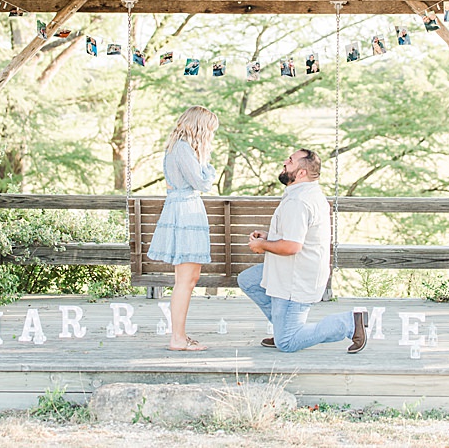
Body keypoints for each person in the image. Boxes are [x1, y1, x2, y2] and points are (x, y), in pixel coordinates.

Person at [238, 149, 368, 354]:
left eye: (290, 161)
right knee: (248, 280)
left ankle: (349, 323)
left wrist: (261, 246)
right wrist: (269, 237)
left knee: (287, 343)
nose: (284, 162)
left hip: (295, 280)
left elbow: (292, 246)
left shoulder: (298, 202)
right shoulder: (308, 193)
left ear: (301, 173)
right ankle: (284, 326)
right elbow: (298, 236)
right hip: (293, 271)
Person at [147, 106, 220, 351]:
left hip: (185, 209)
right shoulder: (183, 149)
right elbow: (202, 182)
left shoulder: (180, 149)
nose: (211, 135)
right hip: (185, 212)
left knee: (189, 278)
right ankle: (177, 338)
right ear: (199, 127)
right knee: (185, 279)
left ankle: (180, 335)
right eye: (209, 129)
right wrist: (209, 170)